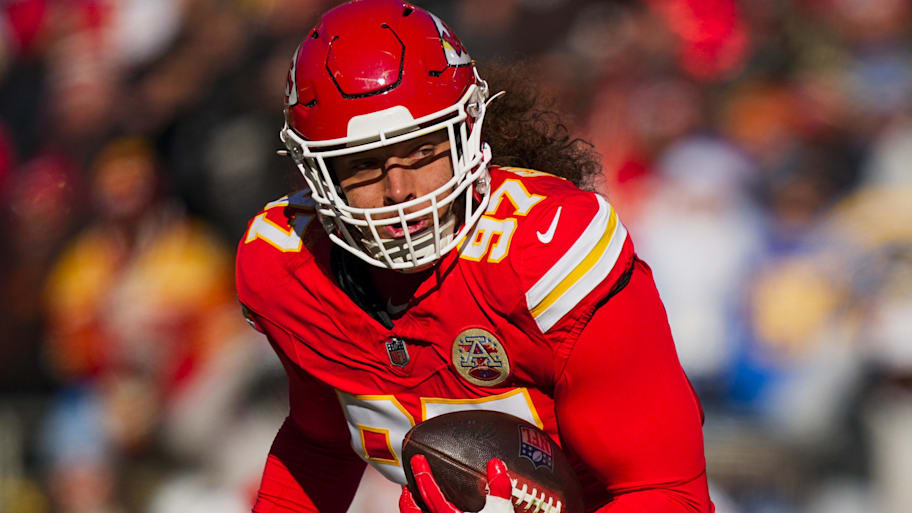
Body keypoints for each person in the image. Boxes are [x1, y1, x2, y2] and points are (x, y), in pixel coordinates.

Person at [235, 1, 713, 512]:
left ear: (468, 130)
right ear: (316, 172)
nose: (399, 191)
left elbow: (668, 494)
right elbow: (321, 444)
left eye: (422, 151)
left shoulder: (545, 252)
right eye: (362, 165)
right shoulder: (290, 268)